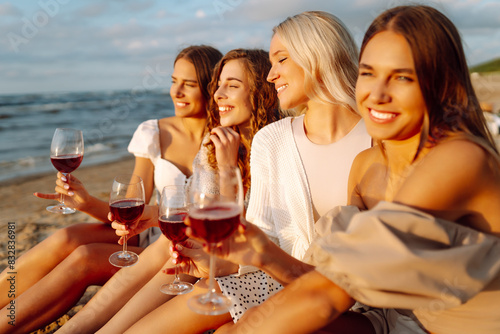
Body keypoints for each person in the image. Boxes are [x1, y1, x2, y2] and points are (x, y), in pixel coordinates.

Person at [201, 5, 500, 334]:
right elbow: (333, 285)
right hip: (384, 321)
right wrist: (265, 255)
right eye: (368, 73)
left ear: (439, 83)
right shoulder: (366, 164)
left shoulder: (459, 159)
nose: (377, 94)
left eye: (401, 77)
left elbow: (324, 296)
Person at [168, 10, 372, 330]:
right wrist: (213, 263)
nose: (270, 75)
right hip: (282, 280)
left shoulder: (379, 139)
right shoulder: (272, 139)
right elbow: (262, 241)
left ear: (317, 55)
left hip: (359, 302)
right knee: (200, 299)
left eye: (282, 59)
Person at [55, 48, 282, 334]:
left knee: (175, 244)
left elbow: (229, 230)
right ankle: (79, 330)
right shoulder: (214, 147)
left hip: (252, 262)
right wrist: (150, 213)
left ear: (263, 92)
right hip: (210, 253)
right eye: (218, 85)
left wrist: (226, 169)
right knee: (170, 243)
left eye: (232, 86)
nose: (219, 94)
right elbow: (203, 216)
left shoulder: (276, 145)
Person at [0, 45, 223, 334]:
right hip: (145, 236)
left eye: (189, 84)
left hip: (180, 251)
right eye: (173, 81)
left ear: (211, 87)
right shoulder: (153, 132)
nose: (176, 92)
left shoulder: (227, 140)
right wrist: (85, 201)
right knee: (69, 235)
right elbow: (132, 210)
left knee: (84, 257)